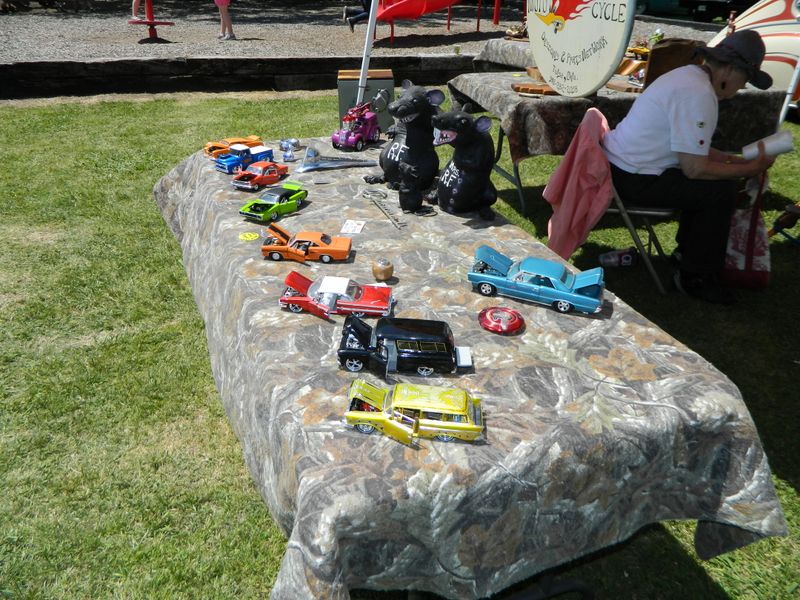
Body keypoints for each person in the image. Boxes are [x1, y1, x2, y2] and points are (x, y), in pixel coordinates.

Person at [602, 29, 775, 305]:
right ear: (730, 70)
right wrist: (749, 169)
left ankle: (688, 257)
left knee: (715, 185)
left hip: (622, 168)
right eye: (745, 79)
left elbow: (690, 147)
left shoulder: (689, 77)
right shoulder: (699, 93)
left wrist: (734, 160)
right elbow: (694, 168)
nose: (742, 87)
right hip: (632, 177)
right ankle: (696, 276)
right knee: (719, 191)